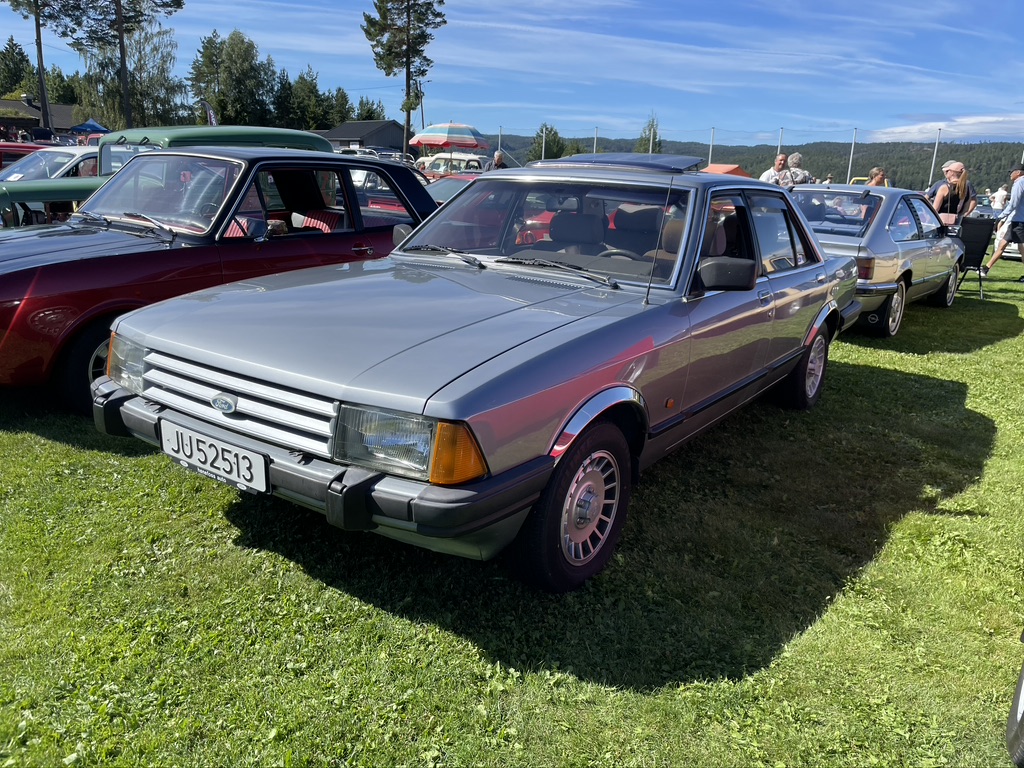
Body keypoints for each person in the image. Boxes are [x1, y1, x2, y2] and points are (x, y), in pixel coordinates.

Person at [983, 163, 1024, 280]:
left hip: (1019, 221)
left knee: (1022, 249)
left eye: (1011, 172)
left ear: (1019, 172)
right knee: (1002, 244)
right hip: (1017, 220)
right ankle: (986, 268)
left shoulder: (1019, 183)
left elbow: (1013, 203)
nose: (1010, 174)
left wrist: (1001, 216)